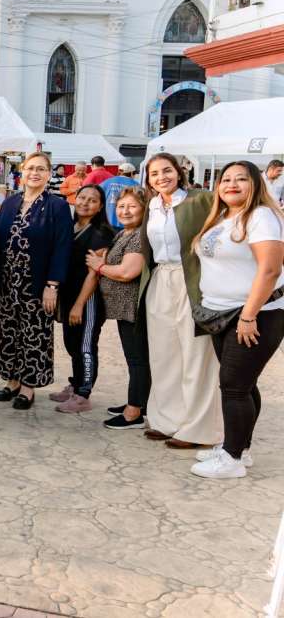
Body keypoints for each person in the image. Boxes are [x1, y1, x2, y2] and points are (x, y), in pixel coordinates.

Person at [191, 161, 284, 478]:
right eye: (226, 179)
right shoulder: (222, 216)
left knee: (233, 387)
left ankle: (231, 459)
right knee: (243, 385)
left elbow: (270, 270)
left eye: (241, 179)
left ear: (256, 184)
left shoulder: (261, 216)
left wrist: (248, 315)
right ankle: (239, 448)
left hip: (253, 315)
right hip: (220, 313)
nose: (232, 184)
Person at [138, 153, 219, 449]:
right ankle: (166, 421)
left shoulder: (201, 200)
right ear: (149, 180)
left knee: (196, 354)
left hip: (192, 280)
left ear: (179, 172)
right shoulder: (151, 206)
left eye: (167, 170)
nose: (162, 177)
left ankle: (198, 429)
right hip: (160, 278)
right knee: (164, 354)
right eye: (155, 173)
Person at [0, 152, 73, 409]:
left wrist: (52, 285)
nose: (34, 173)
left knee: (34, 334)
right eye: (30, 168)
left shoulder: (57, 206)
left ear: (48, 174)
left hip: (36, 284)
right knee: (8, 332)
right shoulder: (10, 202)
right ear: (22, 172)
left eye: (41, 169)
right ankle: (12, 380)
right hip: (7, 282)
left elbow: (62, 247)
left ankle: (28, 386)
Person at [85, 187, 150, 429]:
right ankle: (139, 402)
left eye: (132, 206)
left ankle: (134, 412)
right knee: (136, 358)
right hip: (123, 308)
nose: (125, 211)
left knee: (137, 359)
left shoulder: (139, 235)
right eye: (121, 206)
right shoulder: (124, 233)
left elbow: (126, 272)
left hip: (133, 308)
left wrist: (99, 266)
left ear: (144, 209)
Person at [49, 185, 114, 413]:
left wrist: (79, 305)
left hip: (88, 299)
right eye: (82, 197)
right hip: (69, 295)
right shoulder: (71, 227)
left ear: (100, 206)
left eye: (92, 200)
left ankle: (83, 394)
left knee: (85, 345)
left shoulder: (101, 233)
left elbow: (93, 274)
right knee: (71, 343)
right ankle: (75, 385)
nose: (86, 203)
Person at [99, 163, 140, 229]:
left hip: (107, 222)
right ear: (132, 173)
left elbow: (97, 193)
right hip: (126, 222)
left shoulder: (108, 181)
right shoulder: (135, 185)